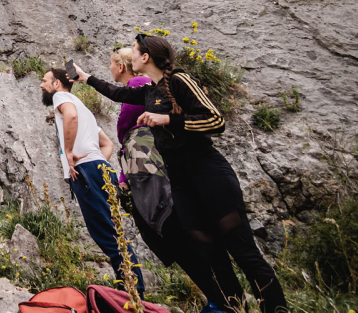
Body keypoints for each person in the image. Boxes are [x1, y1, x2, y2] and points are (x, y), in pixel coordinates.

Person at [75, 34, 287, 313]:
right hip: (181, 181)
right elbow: (117, 93)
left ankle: (275, 308)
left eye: (135, 52)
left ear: (146, 57)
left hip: (207, 171)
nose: (131, 57)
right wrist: (84, 77)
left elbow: (215, 119)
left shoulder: (179, 80)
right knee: (212, 255)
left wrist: (168, 119)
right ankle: (234, 308)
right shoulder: (148, 91)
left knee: (241, 249)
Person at [108, 47, 230, 313]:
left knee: (175, 229)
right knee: (172, 233)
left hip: (152, 173)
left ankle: (222, 300)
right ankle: (218, 299)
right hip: (142, 171)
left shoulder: (141, 84)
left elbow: (140, 133)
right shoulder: (138, 86)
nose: (109, 68)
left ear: (121, 65)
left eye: (111, 63)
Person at [40, 67, 145, 294]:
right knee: (113, 230)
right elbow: (107, 144)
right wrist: (97, 162)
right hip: (100, 169)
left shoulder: (62, 98)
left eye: (45, 81)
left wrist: (69, 152)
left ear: (57, 84)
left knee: (105, 234)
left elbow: (71, 116)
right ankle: (129, 286)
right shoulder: (82, 106)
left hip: (86, 171)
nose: (42, 85)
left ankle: (134, 292)